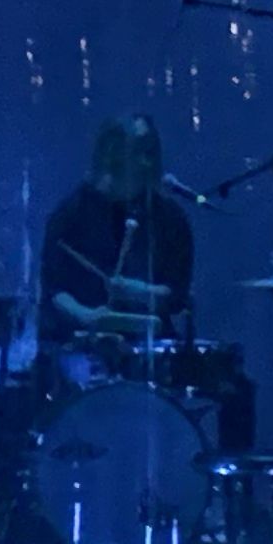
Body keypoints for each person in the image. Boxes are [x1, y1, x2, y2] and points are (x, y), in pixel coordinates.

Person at [42, 114, 196, 374]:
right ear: (111, 153)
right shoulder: (71, 213)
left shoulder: (171, 218)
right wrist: (87, 316)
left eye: (151, 152)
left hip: (150, 355)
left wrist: (137, 291)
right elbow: (53, 289)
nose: (148, 162)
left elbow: (177, 295)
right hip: (82, 354)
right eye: (139, 151)